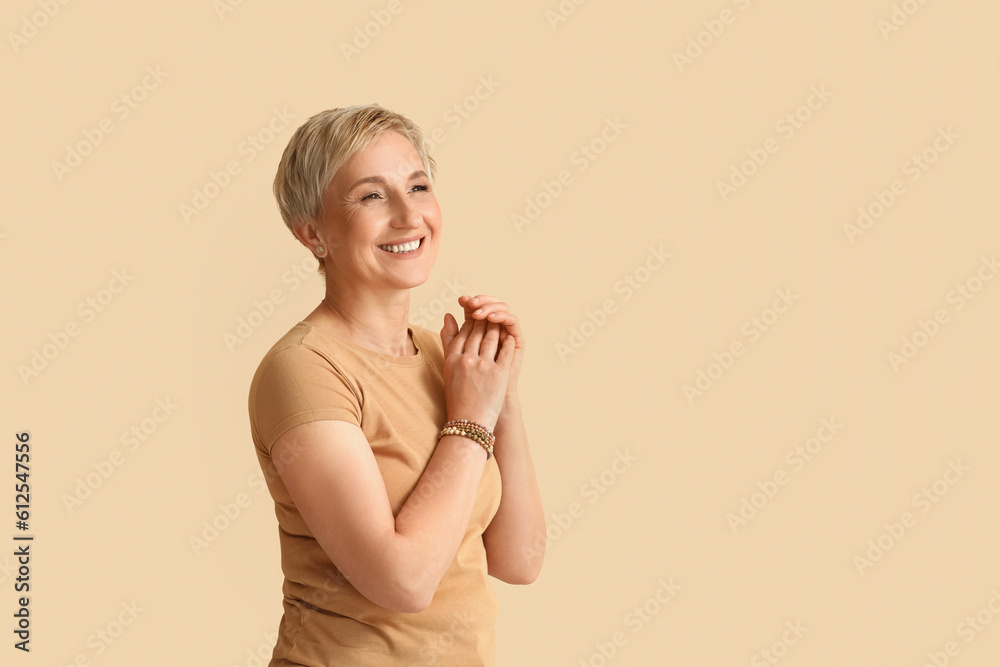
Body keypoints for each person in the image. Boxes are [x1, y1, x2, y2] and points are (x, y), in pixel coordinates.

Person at [247, 103, 545, 666]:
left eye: (418, 186)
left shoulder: (445, 359)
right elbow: (402, 582)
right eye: (372, 196)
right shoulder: (304, 370)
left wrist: (501, 396)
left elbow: (519, 560)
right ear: (312, 232)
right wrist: (472, 419)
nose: (409, 217)